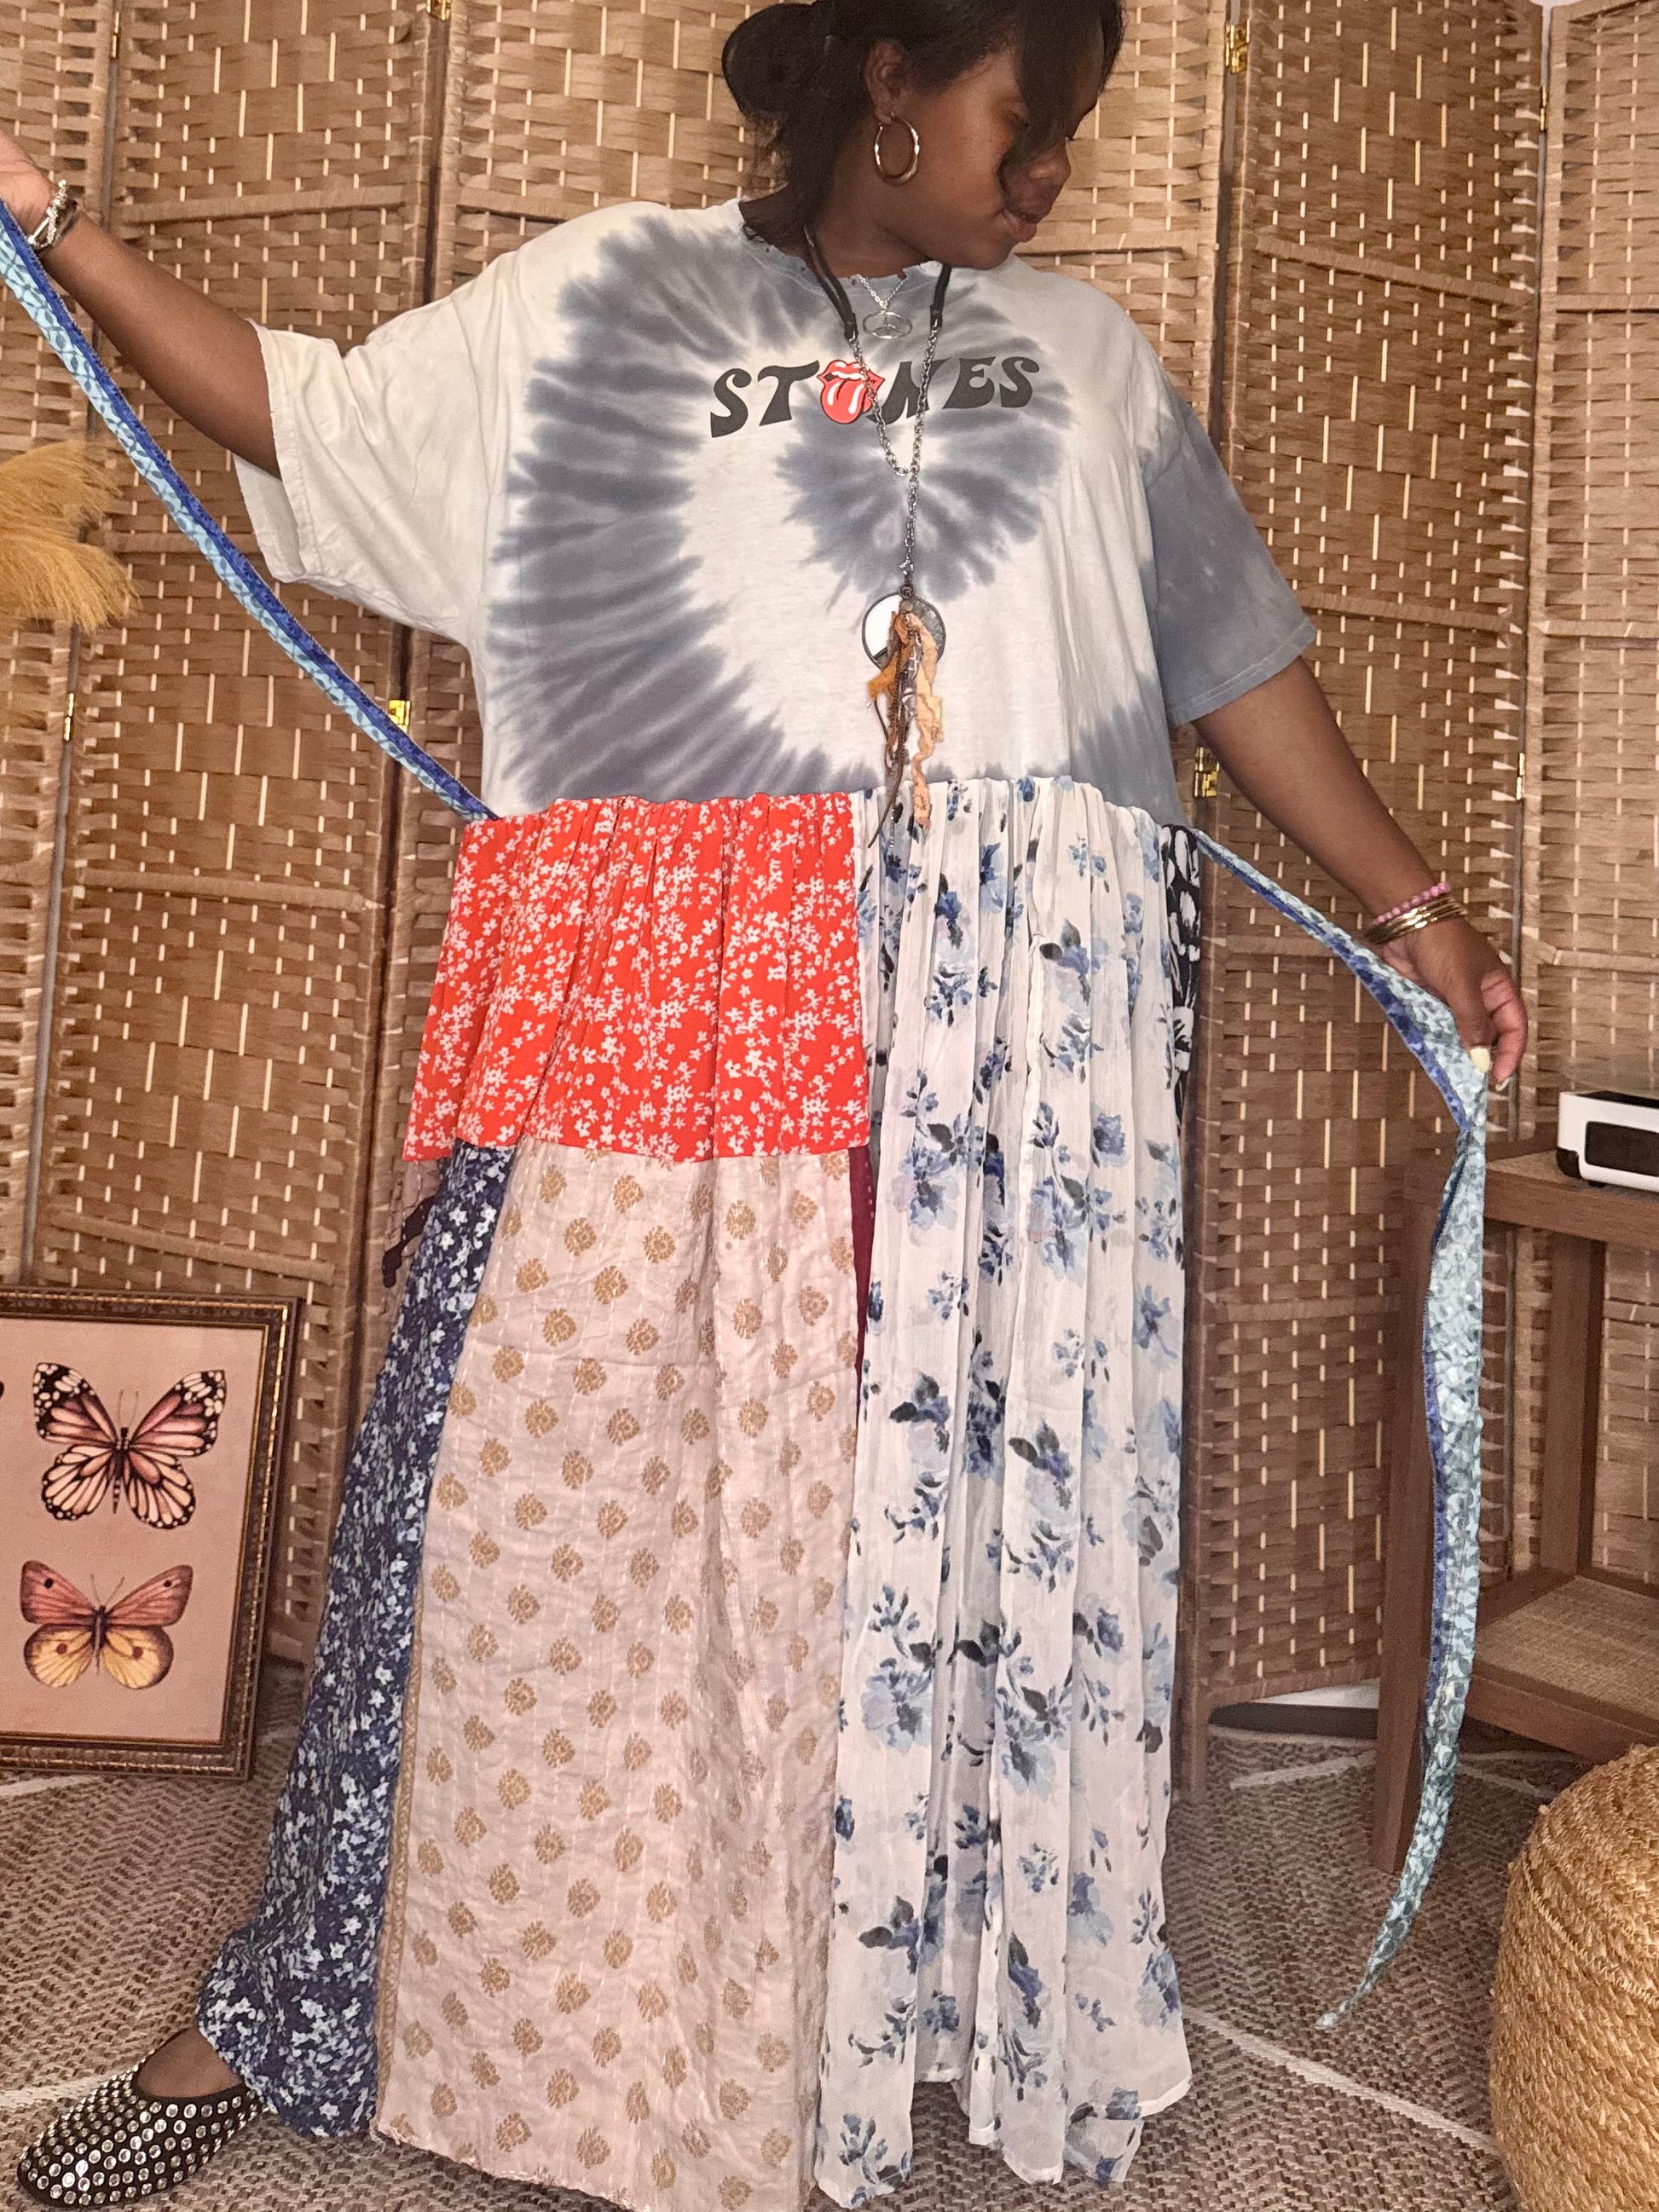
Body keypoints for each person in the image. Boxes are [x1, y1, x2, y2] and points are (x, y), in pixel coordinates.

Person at [3, 0, 1529, 2205]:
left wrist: (1416, 909)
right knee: (510, 1512)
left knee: (870, 1567)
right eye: (1027, 123)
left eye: (1075, 137)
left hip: (983, 1075)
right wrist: (54, 217)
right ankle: (311, 1997)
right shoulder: (605, 298)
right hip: (655, 1007)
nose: (1050, 178)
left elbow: (1229, 657)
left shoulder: (1085, 364)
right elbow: (308, 414)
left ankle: (794, 2032)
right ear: (891, 86)